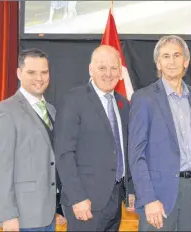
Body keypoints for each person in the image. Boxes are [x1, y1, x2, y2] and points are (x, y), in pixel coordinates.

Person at [129, 35, 191, 231]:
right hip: (158, 197)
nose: (171, 62)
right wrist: (148, 199)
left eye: (176, 55)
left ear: (186, 62)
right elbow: (136, 154)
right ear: (158, 63)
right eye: (165, 56)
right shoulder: (143, 99)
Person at [54, 45, 135, 231]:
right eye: (102, 67)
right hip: (85, 201)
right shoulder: (74, 100)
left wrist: (130, 189)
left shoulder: (123, 104)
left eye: (114, 68)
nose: (108, 73)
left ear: (120, 72)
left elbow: (125, 150)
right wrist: (77, 197)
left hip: (115, 199)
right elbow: (64, 154)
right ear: (91, 69)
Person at [0, 48, 62, 231]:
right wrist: (8, 216)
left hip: (48, 215)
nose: (39, 78)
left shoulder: (52, 110)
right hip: (22, 218)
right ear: (19, 73)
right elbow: (0, 169)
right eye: (32, 72)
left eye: (44, 72)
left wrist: (58, 205)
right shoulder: (5, 111)